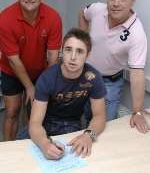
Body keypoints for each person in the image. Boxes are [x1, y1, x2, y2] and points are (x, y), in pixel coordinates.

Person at [79, 0, 149, 133]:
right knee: (80, 122)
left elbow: (137, 73)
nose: (116, 3)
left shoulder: (137, 33)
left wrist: (137, 111)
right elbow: (82, 14)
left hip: (109, 84)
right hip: (83, 76)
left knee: (102, 130)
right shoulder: (97, 9)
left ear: (133, 0)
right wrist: (82, 40)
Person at [0, 0, 62, 140]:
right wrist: (29, 87)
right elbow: (13, 60)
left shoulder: (53, 17)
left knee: (33, 112)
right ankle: (8, 150)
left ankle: (28, 148)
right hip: (11, 71)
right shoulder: (5, 19)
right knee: (12, 112)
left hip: (39, 72)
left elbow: (53, 56)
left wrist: (45, 84)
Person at [29, 28, 106, 159]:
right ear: (62, 51)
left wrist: (88, 136)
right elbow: (35, 123)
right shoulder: (47, 78)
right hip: (46, 124)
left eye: (80, 51)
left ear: (87, 55)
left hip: (73, 123)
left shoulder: (93, 77)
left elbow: (100, 116)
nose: (73, 57)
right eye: (68, 49)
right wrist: (44, 144)